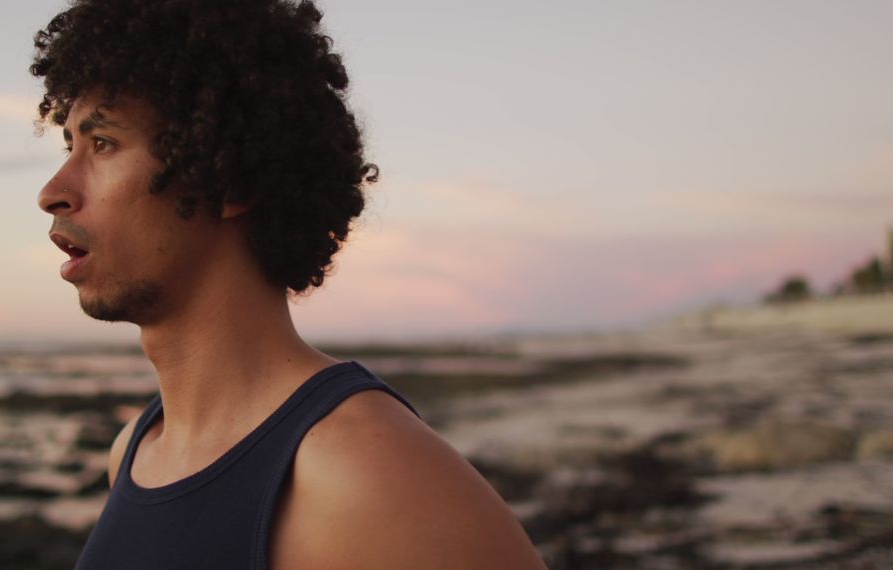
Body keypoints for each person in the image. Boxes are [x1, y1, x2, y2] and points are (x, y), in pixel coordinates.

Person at [32, 0, 544, 568]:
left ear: (225, 178)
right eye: (69, 148)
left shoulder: (362, 468)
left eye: (102, 144)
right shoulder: (132, 451)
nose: (53, 190)